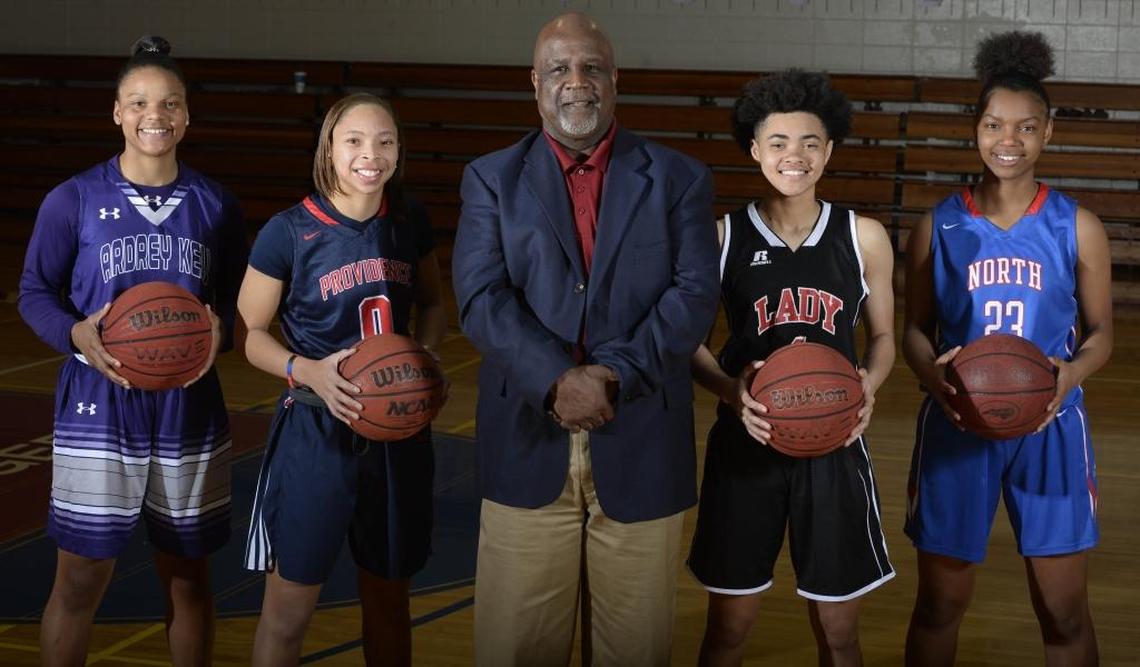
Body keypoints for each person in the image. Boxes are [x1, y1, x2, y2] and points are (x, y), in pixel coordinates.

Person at [451, 11, 720, 666]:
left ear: (615, 78)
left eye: (592, 67)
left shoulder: (680, 177)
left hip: (641, 438)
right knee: (517, 649)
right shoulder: (490, 178)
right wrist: (556, 377)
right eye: (560, 69)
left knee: (636, 649)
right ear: (535, 83)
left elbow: (692, 298)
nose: (578, 82)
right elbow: (482, 298)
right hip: (526, 439)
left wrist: (612, 375)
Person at [17, 36, 247, 667]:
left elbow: (238, 302)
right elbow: (35, 291)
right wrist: (73, 333)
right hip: (98, 403)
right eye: (140, 102)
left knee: (188, 580)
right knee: (80, 580)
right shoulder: (74, 199)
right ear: (116, 112)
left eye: (171, 103)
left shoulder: (216, 205)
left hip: (188, 405)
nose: (157, 115)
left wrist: (222, 330)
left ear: (187, 116)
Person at [902, 31, 1112, 667]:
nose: (1009, 141)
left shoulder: (1078, 225)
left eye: (1026, 127)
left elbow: (1103, 334)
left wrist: (1069, 373)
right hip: (957, 423)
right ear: (976, 129)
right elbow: (914, 330)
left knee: (1063, 610)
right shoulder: (937, 224)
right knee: (939, 605)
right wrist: (933, 378)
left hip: (1050, 427)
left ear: (1048, 134)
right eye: (995, 124)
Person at [685, 69, 896, 667]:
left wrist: (868, 385)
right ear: (755, 149)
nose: (794, 156)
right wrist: (731, 390)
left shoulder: (865, 238)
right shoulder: (721, 237)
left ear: (829, 150)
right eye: (777, 142)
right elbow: (690, 346)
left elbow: (882, 338)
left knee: (839, 632)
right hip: (746, 446)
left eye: (809, 143)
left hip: (834, 443)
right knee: (728, 630)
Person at [239, 92, 446, 667]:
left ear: (399, 151)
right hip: (315, 430)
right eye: (353, 140)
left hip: (397, 433)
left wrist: (422, 361)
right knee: (288, 610)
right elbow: (250, 333)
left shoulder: (410, 219)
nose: (370, 155)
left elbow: (432, 304)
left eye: (384, 142)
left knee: (388, 600)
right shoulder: (288, 231)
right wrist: (306, 371)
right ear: (329, 148)